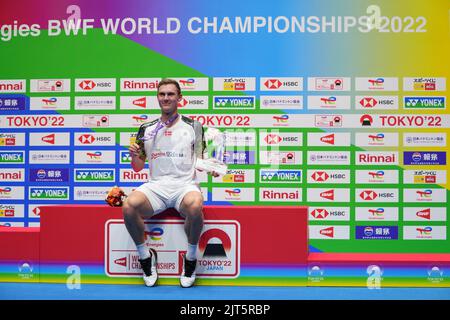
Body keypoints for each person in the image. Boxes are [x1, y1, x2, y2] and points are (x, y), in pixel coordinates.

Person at [122, 78, 218, 288]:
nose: (166, 98)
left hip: (185, 186)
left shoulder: (194, 126)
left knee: (195, 204)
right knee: (128, 205)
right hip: (156, 186)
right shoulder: (145, 128)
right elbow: (138, 167)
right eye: (162, 94)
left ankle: (190, 259)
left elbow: (200, 159)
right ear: (158, 97)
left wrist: (213, 168)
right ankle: (146, 258)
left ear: (179, 98)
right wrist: (134, 156)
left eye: (170, 94)